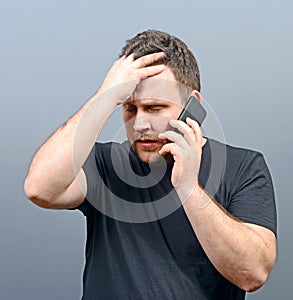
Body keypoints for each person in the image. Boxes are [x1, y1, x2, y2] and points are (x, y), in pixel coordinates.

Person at [24, 30, 277, 299]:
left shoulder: (244, 167)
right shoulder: (104, 165)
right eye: (130, 108)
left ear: (192, 105)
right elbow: (39, 188)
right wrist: (106, 97)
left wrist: (189, 188)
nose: (141, 124)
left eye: (155, 108)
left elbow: (253, 273)